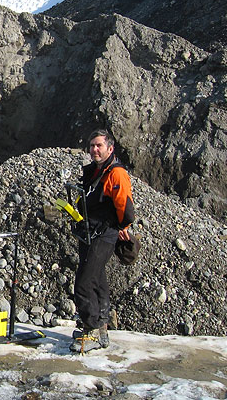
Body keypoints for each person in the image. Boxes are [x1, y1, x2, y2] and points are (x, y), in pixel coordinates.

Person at [70, 129, 135, 353]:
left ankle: (92, 327)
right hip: (90, 230)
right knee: (96, 279)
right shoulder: (97, 171)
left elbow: (125, 208)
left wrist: (122, 228)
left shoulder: (116, 174)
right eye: (92, 145)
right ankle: (102, 326)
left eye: (99, 145)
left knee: (84, 282)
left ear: (110, 148)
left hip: (104, 233)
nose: (94, 149)